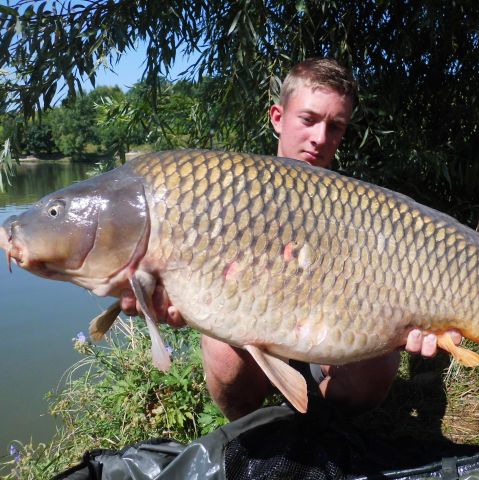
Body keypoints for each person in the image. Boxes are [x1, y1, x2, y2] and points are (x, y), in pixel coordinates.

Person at [121, 58, 461, 420]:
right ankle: (249, 431)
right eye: (309, 119)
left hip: (331, 341)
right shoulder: (230, 193)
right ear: (278, 117)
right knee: (223, 353)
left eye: (336, 126)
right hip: (252, 332)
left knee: (381, 363)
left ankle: (329, 434)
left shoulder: (358, 210)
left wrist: (414, 323)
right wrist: (164, 295)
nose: (320, 138)